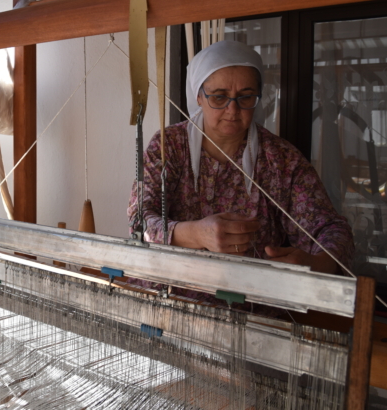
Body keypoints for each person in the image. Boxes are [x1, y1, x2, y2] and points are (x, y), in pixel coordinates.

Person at [127, 40, 354, 305]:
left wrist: (317, 265)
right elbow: (139, 223)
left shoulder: (280, 160)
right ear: (199, 96)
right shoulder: (168, 147)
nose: (232, 110)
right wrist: (197, 234)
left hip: (249, 314)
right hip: (165, 305)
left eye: (245, 97)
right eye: (219, 96)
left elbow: (331, 228)